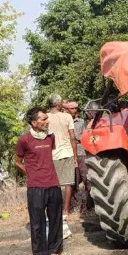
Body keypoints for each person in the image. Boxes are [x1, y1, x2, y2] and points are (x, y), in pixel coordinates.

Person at [15, 107, 63, 255]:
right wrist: (30, 173)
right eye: (43, 119)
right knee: (37, 223)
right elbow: (17, 162)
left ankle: (55, 249)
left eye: (46, 118)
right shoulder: (24, 140)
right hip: (35, 187)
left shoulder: (51, 137)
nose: (47, 121)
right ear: (34, 123)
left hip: (53, 184)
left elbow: (48, 156)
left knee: (56, 219)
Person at [47, 94, 78, 239]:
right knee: (67, 183)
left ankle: (55, 211)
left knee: (53, 185)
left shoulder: (45, 117)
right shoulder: (67, 117)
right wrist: (76, 157)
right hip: (66, 152)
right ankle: (65, 212)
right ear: (59, 104)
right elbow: (72, 137)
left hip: (51, 154)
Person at [65, 101, 93, 209]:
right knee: (72, 181)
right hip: (68, 154)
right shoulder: (64, 121)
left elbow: (85, 136)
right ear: (66, 110)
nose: (74, 110)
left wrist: (75, 140)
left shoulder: (81, 122)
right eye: (72, 109)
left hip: (81, 153)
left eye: (75, 109)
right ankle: (74, 206)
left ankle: (90, 205)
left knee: (87, 178)